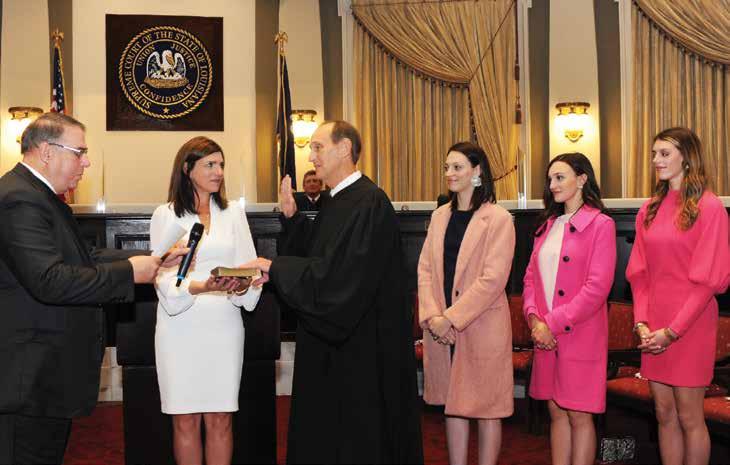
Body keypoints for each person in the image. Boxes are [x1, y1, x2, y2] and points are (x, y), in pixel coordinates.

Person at [0, 113, 182, 465]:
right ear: (47, 152)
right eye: (79, 152)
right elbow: (50, 280)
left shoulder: (42, 196)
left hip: (44, 379)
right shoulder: (19, 198)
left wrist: (153, 259)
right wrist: (130, 273)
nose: (86, 162)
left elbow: (85, 257)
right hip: (27, 381)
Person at [242, 121, 423, 464]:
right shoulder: (335, 200)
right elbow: (317, 256)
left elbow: (338, 280)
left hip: (362, 349)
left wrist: (275, 267)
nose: (311, 157)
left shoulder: (370, 202)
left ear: (344, 149)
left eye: (318, 147)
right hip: (335, 346)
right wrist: (292, 218)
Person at [150, 136, 262, 465]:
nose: (219, 172)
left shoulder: (233, 213)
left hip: (224, 326)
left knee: (221, 418)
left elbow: (250, 268)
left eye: (221, 164)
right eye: (210, 164)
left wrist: (241, 286)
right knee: (184, 419)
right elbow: (162, 277)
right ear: (188, 169)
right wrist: (201, 286)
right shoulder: (165, 215)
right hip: (179, 327)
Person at [626, 127, 729, 465]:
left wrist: (672, 332)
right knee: (663, 412)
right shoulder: (649, 209)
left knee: (689, 416)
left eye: (665, 153)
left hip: (691, 325)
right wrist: (642, 323)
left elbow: (709, 282)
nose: (656, 160)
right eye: (654, 154)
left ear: (687, 157)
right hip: (653, 324)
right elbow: (639, 274)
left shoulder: (709, 207)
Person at [417, 142, 515, 465]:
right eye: (447, 167)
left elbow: (493, 279)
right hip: (441, 328)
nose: (449, 173)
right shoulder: (439, 216)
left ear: (477, 171)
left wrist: (451, 318)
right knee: (453, 404)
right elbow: (425, 270)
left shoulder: (498, 218)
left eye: (457, 167)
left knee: (488, 408)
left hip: (481, 325)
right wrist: (433, 317)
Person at [522, 152, 616, 465]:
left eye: (560, 177)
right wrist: (534, 320)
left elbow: (597, 288)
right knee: (555, 411)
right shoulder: (547, 226)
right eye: (550, 179)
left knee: (579, 414)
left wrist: (551, 323)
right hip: (544, 335)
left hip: (580, 334)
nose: (552, 185)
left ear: (582, 179)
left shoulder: (601, 224)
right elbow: (530, 279)